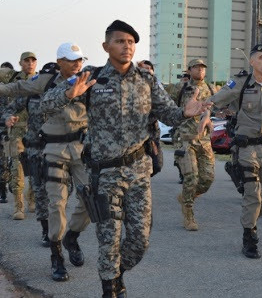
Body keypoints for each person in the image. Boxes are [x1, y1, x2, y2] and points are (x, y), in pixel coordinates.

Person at [41, 20, 210, 297]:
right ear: (106, 46)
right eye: (120, 41)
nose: (127, 46)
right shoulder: (92, 77)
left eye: (131, 42)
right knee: (109, 239)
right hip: (105, 175)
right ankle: (110, 288)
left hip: (139, 173)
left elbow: (168, 114)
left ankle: (116, 272)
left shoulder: (146, 79)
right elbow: (46, 103)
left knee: (140, 240)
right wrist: (69, 93)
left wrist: (185, 113)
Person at [206, 44, 262, 259]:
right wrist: (204, 112)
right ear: (252, 61)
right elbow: (216, 100)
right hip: (247, 148)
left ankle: (250, 216)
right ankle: (249, 235)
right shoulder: (241, 83)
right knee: (253, 193)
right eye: (261, 57)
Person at [0, 62, 61, 247]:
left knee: (58, 194)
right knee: (40, 191)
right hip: (35, 150)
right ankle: (46, 230)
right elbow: (9, 109)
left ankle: (61, 230)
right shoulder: (30, 96)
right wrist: (6, 118)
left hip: (59, 150)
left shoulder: (65, 96)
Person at [171, 58, 215, 231]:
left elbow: (212, 107)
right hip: (184, 138)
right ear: (189, 70)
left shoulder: (211, 88)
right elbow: (169, 108)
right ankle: (188, 214)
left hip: (203, 139)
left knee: (207, 179)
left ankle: (186, 196)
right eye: (196, 67)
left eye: (203, 67)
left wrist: (208, 116)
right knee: (191, 177)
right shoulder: (180, 88)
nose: (200, 70)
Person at [0, 52, 38, 219]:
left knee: (36, 167)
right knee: (17, 168)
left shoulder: (41, 79)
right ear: (20, 62)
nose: (30, 63)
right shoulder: (13, 77)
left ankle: (32, 198)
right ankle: (18, 206)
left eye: (33, 60)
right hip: (17, 129)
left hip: (36, 131)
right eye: (26, 60)